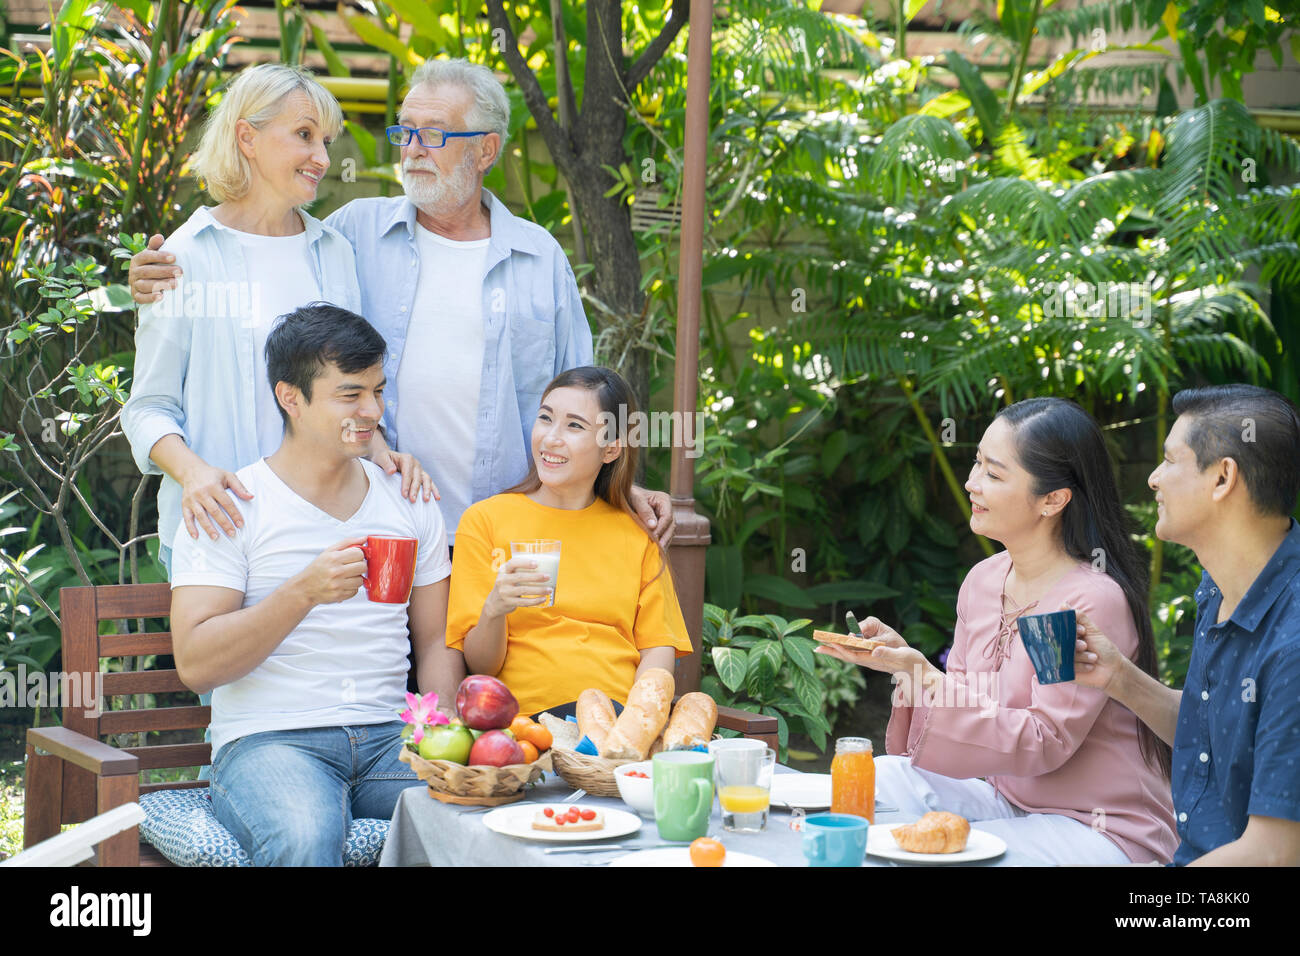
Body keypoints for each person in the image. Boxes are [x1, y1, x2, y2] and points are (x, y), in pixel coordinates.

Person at [124, 57, 675, 550]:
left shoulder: (533, 256)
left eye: (432, 135)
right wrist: (146, 280)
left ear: (486, 148)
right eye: (405, 131)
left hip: (502, 530)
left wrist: (624, 486)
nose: (411, 148)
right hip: (351, 528)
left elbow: (582, 396)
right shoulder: (350, 235)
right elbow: (155, 397)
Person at [818, 398, 1178, 865]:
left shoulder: (1084, 601)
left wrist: (925, 676)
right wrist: (906, 665)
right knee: (880, 779)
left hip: (1096, 826)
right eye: (976, 463)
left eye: (993, 473)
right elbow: (973, 713)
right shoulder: (984, 581)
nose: (971, 483)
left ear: (1053, 499)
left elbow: (1044, 739)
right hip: (1006, 799)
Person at [169, 304, 460, 866]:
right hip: (271, 741)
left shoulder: (408, 499)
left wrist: (440, 735)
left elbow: (435, 642)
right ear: (291, 398)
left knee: (477, 814)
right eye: (350, 395)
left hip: (388, 739)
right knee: (305, 836)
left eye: (377, 391)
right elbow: (197, 664)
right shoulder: (231, 507)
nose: (372, 410)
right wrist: (300, 593)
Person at [120, 62, 430, 580]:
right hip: (222, 533)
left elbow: (345, 389)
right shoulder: (184, 256)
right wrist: (193, 474)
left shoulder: (333, 252)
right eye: (304, 135)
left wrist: (381, 452)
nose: (323, 158)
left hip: (325, 532)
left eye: (326, 141)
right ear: (247, 136)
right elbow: (148, 408)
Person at [1073, 385, 1300, 866]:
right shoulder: (1220, 587)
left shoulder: (1293, 639)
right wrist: (1116, 674)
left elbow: (1273, 854)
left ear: (1222, 478)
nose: (1153, 479)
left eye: (1170, 461)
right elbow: (1212, 730)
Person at [445, 366, 693, 718]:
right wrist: (495, 608)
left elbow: (657, 650)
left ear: (610, 450)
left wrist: (636, 725)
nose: (550, 439)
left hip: (615, 724)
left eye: (574, 426)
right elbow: (481, 667)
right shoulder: (485, 521)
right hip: (523, 730)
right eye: (545, 419)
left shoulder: (637, 534)